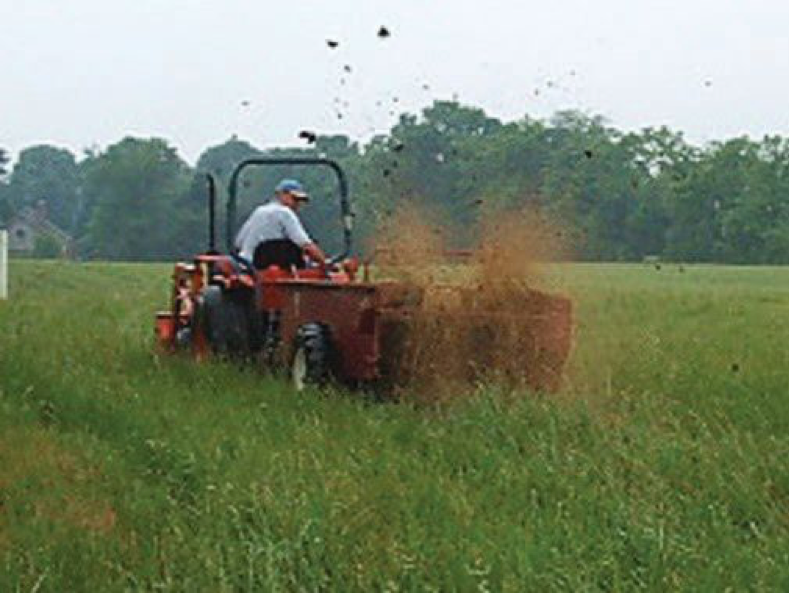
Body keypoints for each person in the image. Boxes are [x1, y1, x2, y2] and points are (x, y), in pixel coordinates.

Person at [234, 179, 327, 269]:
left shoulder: (259, 211)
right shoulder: (285, 212)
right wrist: (325, 263)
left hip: (246, 265)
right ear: (281, 195)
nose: (297, 204)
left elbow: (239, 242)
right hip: (268, 268)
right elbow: (306, 245)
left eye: (300, 201)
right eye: (295, 199)